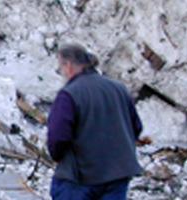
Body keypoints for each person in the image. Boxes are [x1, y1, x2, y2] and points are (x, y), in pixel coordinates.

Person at [47, 43, 144, 200]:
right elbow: (136, 127)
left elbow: (58, 136)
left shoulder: (69, 94)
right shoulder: (119, 89)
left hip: (80, 177)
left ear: (68, 65)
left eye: (61, 68)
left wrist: (59, 157)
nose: (62, 73)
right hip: (117, 174)